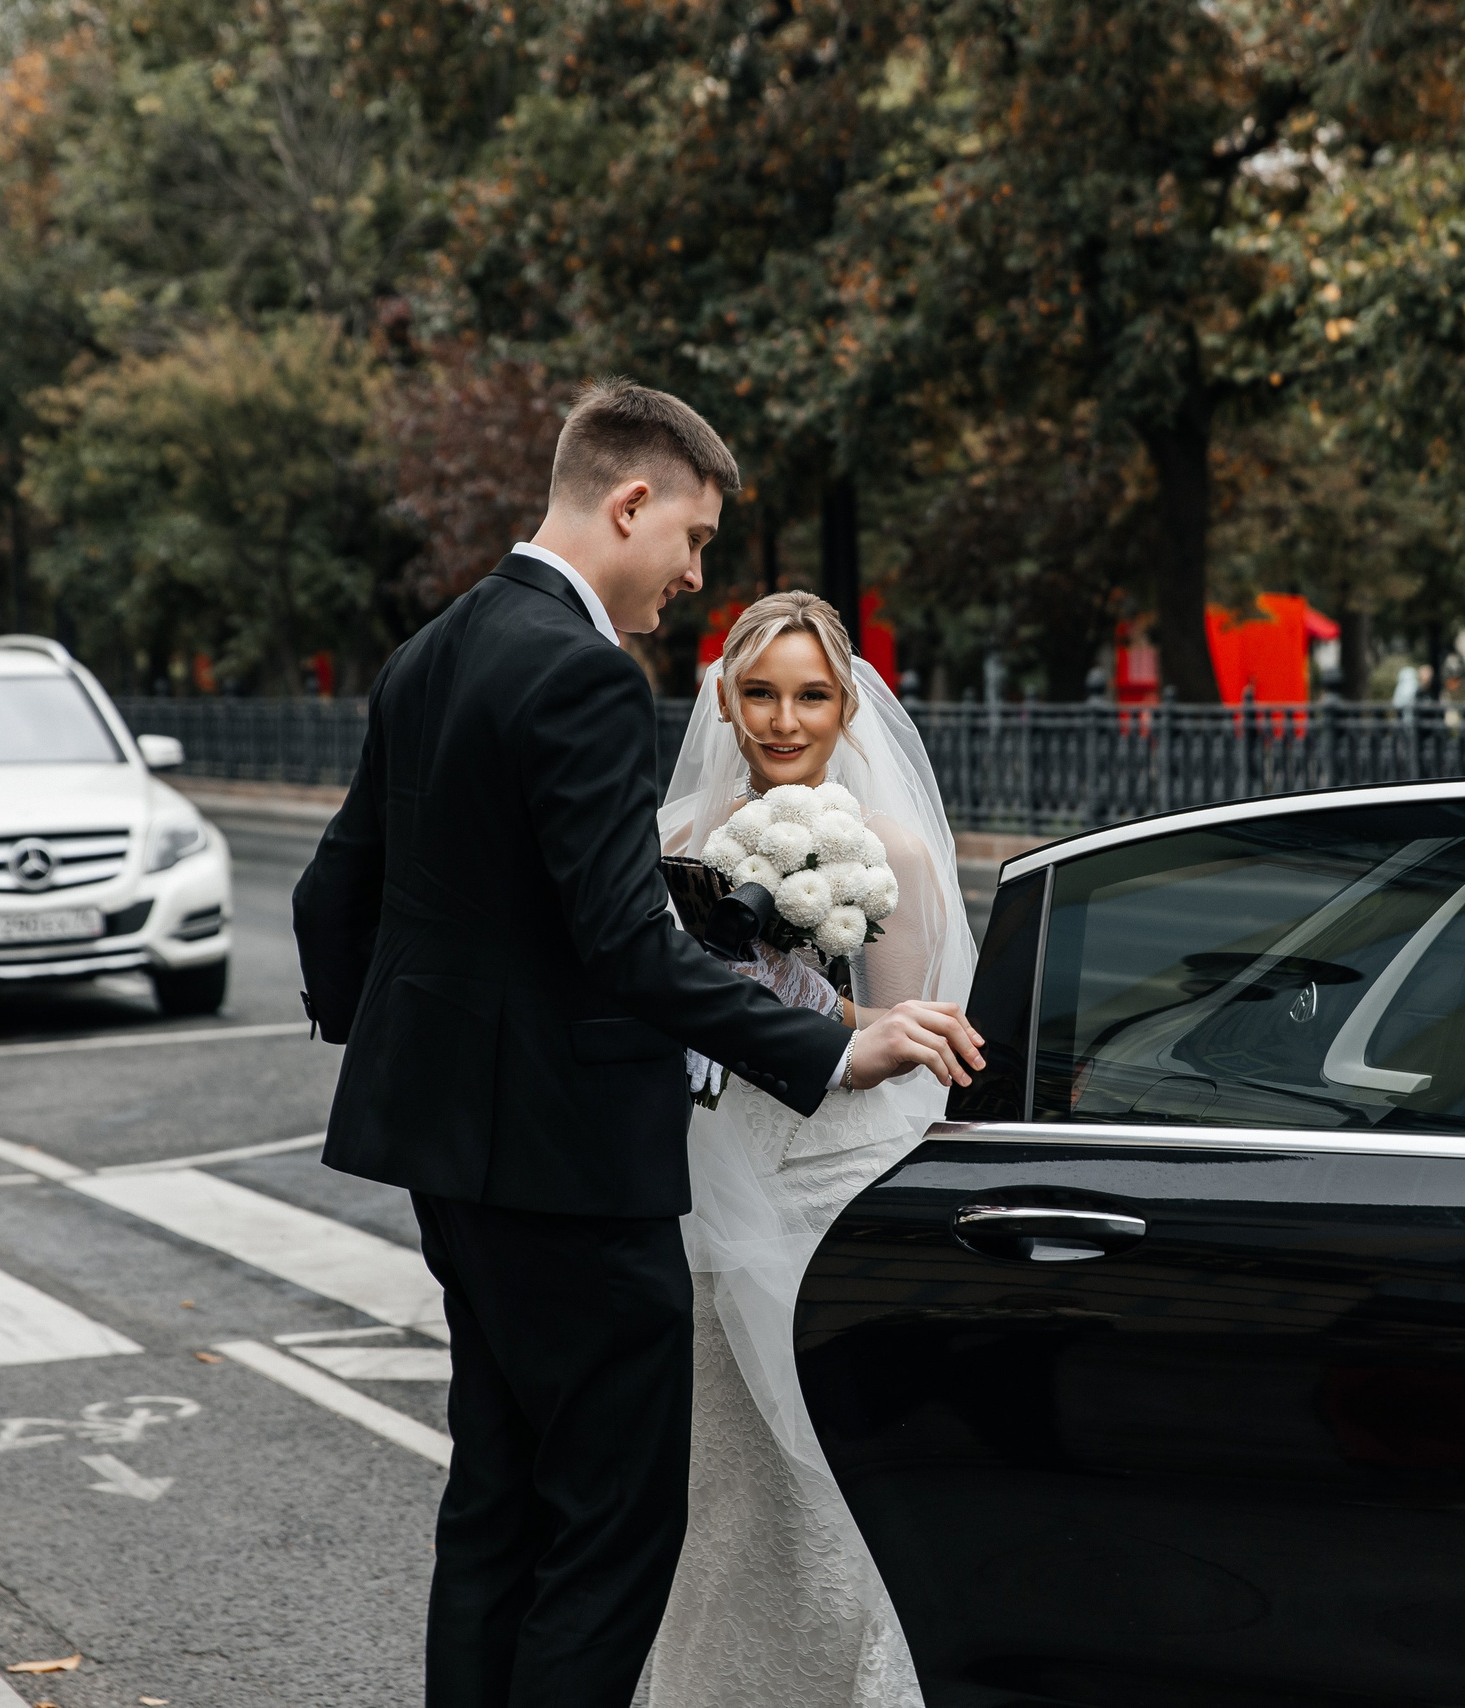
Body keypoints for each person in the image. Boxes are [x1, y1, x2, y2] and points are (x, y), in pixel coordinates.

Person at [290, 380, 984, 1708]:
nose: (692, 571)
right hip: (574, 1172)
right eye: (695, 538)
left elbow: (338, 892)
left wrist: (408, 1045)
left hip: (452, 1160)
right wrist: (835, 1051)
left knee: (498, 1502)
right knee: (614, 1532)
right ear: (631, 503)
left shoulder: (432, 650)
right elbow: (625, 946)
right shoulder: (586, 673)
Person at [632, 593, 972, 1708]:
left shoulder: (901, 853)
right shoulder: (675, 844)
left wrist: (832, 1018)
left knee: (840, 1494)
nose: (785, 720)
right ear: (724, 700)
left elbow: (912, 1037)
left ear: (847, 707)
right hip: (706, 1185)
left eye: (811, 695)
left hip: (837, 1186)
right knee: (723, 1502)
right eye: (762, 693)